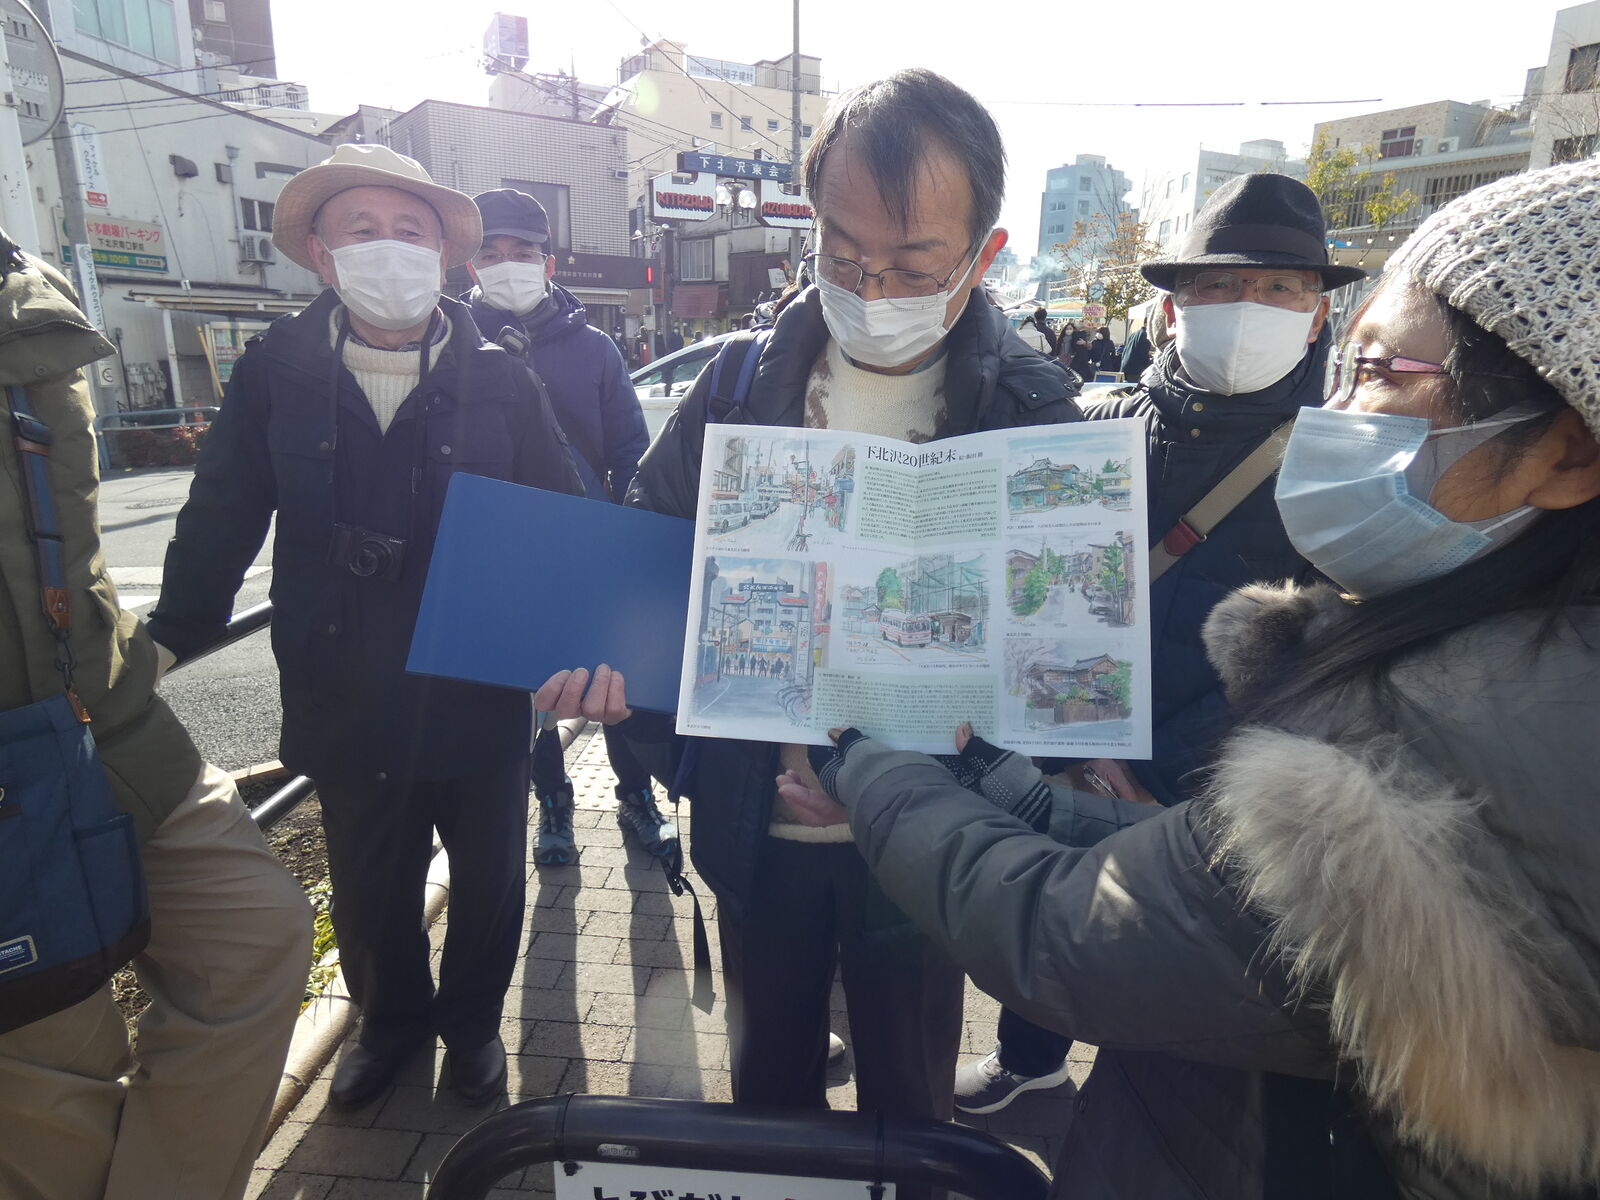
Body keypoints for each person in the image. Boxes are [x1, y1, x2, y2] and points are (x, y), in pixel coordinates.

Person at [793, 157, 1600, 1198]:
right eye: (1217, 285)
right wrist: (1026, 788)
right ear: (1172, 307)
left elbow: (1063, 932)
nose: (1341, 408)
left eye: (1377, 370)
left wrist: (868, 765)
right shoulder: (1490, 644)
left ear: (1567, 454)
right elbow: (1228, 882)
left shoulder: (1433, 740)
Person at [539, 70, 1082, 1137]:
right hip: (759, 836)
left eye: (912, 264)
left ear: (983, 255)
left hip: (929, 857)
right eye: (842, 253)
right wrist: (626, 696)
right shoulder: (737, 387)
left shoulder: (1032, 418)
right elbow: (648, 576)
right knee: (767, 1108)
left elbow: (1059, 655)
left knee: (911, 1112)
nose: (873, 288)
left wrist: (953, 784)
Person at [147, 144, 582, 1112]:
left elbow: (561, 515)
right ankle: (387, 1026)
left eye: (410, 231)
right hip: (340, 682)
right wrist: (170, 634)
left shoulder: (500, 376)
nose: (390, 249)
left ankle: (473, 1028)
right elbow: (221, 512)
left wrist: (579, 644)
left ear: (444, 253)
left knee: (489, 880)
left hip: (477, 682)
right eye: (363, 230)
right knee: (369, 882)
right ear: (321, 252)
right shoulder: (276, 370)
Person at [954, 171, 1365, 1114]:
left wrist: (1162, 776)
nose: (1247, 307)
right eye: (1219, 285)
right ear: (1174, 307)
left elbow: (1339, 656)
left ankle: (1144, 1117)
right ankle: (1030, 1059)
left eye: (1280, 288)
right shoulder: (1088, 430)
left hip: (1218, 800)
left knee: (1178, 997)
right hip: (1069, 756)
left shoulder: (1346, 467)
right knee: (1055, 922)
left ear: (1317, 316)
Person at [0, 237, 311, 1200]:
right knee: (53, 1060)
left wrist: (149, 641)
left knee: (257, 936)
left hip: (109, 716)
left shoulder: (24, 275)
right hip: (15, 770)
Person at [461, 188, 672, 867]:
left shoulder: (594, 349)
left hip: (591, 543)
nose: (507, 264)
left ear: (548, 264)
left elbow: (630, 452)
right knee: (529, 689)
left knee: (616, 679)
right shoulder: (455, 345)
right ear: (470, 266)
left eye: (522, 252)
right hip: (501, 551)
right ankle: (552, 802)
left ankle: (636, 795)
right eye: (491, 253)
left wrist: (632, 539)